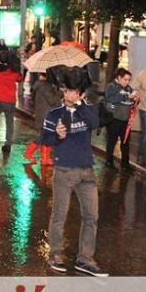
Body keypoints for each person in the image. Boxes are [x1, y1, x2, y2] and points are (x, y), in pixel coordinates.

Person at [40, 70, 107, 277]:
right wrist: (58, 136)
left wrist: (80, 106)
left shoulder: (86, 109)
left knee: (91, 217)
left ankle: (85, 259)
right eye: (69, 91)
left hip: (87, 170)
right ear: (63, 91)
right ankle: (56, 255)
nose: (72, 95)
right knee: (60, 215)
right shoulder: (54, 113)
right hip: (64, 170)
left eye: (76, 91)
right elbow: (45, 139)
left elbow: (95, 124)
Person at [25, 73, 61, 165]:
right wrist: (60, 92)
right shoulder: (46, 86)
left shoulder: (38, 85)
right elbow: (52, 100)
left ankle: (45, 158)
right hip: (46, 115)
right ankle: (28, 153)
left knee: (46, 137)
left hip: (42, 114)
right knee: (44, 136)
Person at [104, 68, 137, 169]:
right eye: (125, 79)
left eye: (129, 80)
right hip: (114, 119)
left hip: (125, 120)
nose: (127, 82)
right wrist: (126, 97)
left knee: (125, 143)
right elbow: (110, 98)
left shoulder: (128, 88)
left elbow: (133, 101)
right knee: (112, 141)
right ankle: (109, 161)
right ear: (119, 78)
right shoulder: (111, 86)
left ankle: (125, 164)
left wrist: (135, 99)